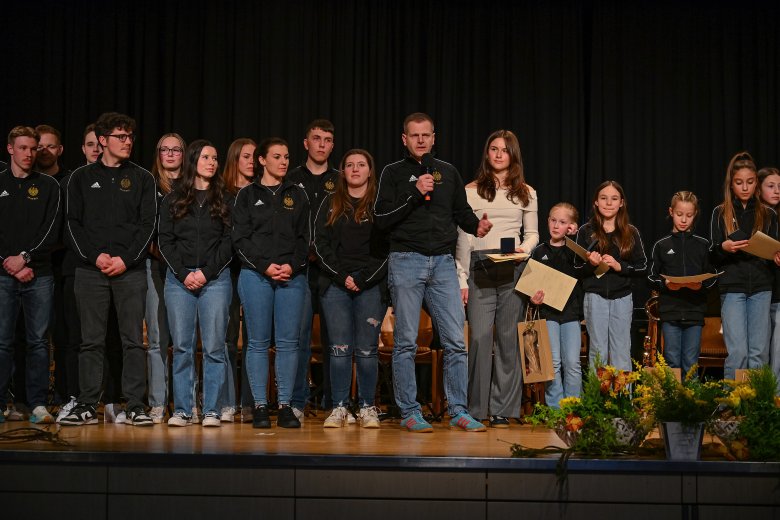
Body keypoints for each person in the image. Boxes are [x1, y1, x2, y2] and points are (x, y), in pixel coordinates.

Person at [374, 112, 493, 433]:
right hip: (406, 260)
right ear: (405, 139)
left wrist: (477, 226)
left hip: (442, 263)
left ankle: (458, 409)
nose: (421, 140)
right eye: (415, 136)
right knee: (406, 342)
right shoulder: (393, 173)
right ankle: (410, 410)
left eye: (426, 135)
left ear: (434, 137)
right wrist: (415, 191)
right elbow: (381, 217)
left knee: (456, 340)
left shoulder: (448, 172)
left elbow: (462, 214)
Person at [60, 112, 157, 426]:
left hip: (129, 272)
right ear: (102, 141)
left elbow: (147, 227)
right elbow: (72, 223)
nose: (127, 141)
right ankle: (88, 404)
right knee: (91, 341)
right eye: (120, 136)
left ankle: (135, 405)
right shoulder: (81, 178)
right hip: (90, 271)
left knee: (132, 341)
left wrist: (125, 260)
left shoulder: (142, 178)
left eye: (130, 136)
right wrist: (94, 256)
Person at [455, 130, 537, 427]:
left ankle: (503, 408)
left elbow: (533, 234)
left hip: (513, 266)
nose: (499, 154)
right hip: (480, 266)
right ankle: (477, 408)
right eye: (493, 149)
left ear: (513, 154)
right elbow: (464, 237)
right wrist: (461, 278)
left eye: (504, 149)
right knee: (478, 338)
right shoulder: (470, 190)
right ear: (487, 154)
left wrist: (523, 250)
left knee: (507, 339)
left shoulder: (527, 192)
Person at [233, 138, 309, 428]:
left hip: (291, 276)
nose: (283, 161)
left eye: (287, 156)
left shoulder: (298, 195)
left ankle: (286, 406)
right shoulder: (247, 195)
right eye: (276, 156)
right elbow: (240, 239)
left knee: (289, 343)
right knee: (258, 342)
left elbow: (305, 239)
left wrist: (290, 265)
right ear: (262, 160)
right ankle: (261, 406)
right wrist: (265, 266)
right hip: (256, 276)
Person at [159, 140, 233, 427]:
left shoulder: (225, 198)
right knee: (182, 347)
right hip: (179, 280)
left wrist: (206, 273)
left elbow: (229, 243)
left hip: (214, 280)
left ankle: (212, 408)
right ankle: (183, 409)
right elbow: (165, 241)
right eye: (206, 157)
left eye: (215, 158)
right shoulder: (173, 198)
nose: (212, 162)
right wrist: (182, 273)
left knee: (215, 347)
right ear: (193, 161)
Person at [314, 149, 388, 428]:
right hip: (336, 284)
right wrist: (343, 275)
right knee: (340, 348)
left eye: (361, 165)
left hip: (371, 284)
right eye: (349, 165)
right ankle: (340, 407)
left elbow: (387, 249)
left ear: (370, 170)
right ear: (342, 171)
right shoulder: (330, 202)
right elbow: (320, 244)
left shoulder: (381, 203)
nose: (355, 169)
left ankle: (368, 406)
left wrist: (364, 278)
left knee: (367, 350)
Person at [0, 126, 61, 424]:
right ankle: (2, 403)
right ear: (10, 149)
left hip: (40, 275)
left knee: (38, 342)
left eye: (32, 149)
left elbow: (52, 231)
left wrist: (25, 259)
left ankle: (38, 404)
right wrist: (8, 262)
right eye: (22, 148)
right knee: (2, 341)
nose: (28, 154)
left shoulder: (49, 186)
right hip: (2, 275)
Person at [710, 152, 780, 380]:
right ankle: (732, 404)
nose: (745, 187)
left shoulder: (767, 213)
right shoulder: (720, 212)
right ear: (731, 184)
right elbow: (711, 255)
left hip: (761, 287)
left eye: (750, 182)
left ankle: (756, 405)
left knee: (758, 353)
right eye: (739, 183)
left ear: (756, 184)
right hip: (732, 288)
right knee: (737, 352)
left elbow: (773, 249)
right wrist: (725, 247)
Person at [287, 119, 339, 419]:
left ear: (332, 145)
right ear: (306, 143)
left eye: (327, 139)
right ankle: (297, 401)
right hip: (301, 269)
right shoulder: (291, 179)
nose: (322, 144)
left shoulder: (341, 179)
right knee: (299, 338)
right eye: (316, 138)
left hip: (330, 271)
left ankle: (335, 402)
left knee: (335, 339)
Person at [575, 180, 646, 371]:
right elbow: (576, 269)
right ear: (596, 202)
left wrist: (619, 266)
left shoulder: (630, 232)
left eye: (614, 198)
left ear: (621, 202)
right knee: (597, 351)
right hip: (595, 297)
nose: (608, 203)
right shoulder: (586, 231)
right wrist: (591, 264)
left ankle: (622, 400)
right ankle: (596, 400)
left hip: (622, 298)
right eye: (603, 198)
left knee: (621, 350)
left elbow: (642, 268)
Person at [647, 191, 716, 375]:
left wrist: (702, 285)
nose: (684, 220)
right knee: (672, 360)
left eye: (689, 215)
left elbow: (712, 276)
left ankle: (691, 402)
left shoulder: (703, 245)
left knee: (691, 362)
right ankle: (674, 402)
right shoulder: (661, 245)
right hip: (670, 312)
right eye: (679, 214)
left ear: (695, 215)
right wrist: (666, 284)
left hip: (694, 312)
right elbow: (651, 277)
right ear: (671, 212)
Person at [146, 132, 186, 424]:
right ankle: (158, 401)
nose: (170, 154)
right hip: (155, 266)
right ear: (158, 154)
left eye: (176, 150)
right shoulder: (148, 186)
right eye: (164, 149)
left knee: (185, 340)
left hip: (187, 271)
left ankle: (187, 402)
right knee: (158, 338)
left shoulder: (193, 187)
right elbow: (144, 229)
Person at [530, 203, 583, 408]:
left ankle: (573, 407)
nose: (556, 225)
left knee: (572, 362)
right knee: (552, 363)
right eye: (553, 220)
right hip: (548, 314)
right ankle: (555, 408)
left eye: (562, 222)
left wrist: (575, 239)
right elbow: (530, 285)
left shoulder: (575, 252)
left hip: (571, 314)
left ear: (571, 227)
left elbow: (587, 265)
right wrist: (532, 297)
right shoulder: (539, 251)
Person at [221, 137, 256, 422]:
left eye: (256, 156)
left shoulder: (260, 192)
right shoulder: (222, 193)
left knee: (255, 339)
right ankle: (226, 401)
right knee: (228, 338)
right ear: (234, 159)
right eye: (247, 156)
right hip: (227, 270)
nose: (253, 161)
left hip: (254, 270)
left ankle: (251, 401)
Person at [758, 167, 780, 388]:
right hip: (760, 292)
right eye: (770, 186)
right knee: (760, 352)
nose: (776, 191)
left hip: (778, 295)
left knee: (778, 353)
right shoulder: (754, 217)